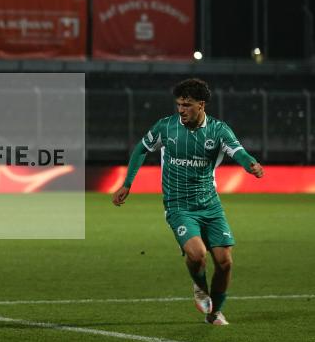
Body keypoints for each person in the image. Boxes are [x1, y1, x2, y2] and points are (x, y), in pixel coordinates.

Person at [112, 78, 264, 325]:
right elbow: (141, 149)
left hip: (209, 203)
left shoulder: (218, 131)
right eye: (179, 104)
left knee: (225, 262)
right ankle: (200, 287)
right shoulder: (166, 127)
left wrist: (251, 165)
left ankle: (214, 312)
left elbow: (239, 152)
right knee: (197, 254)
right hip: (178, 204)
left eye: (187, 104)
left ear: (201, 105)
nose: (181, 109)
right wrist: (127, 183)